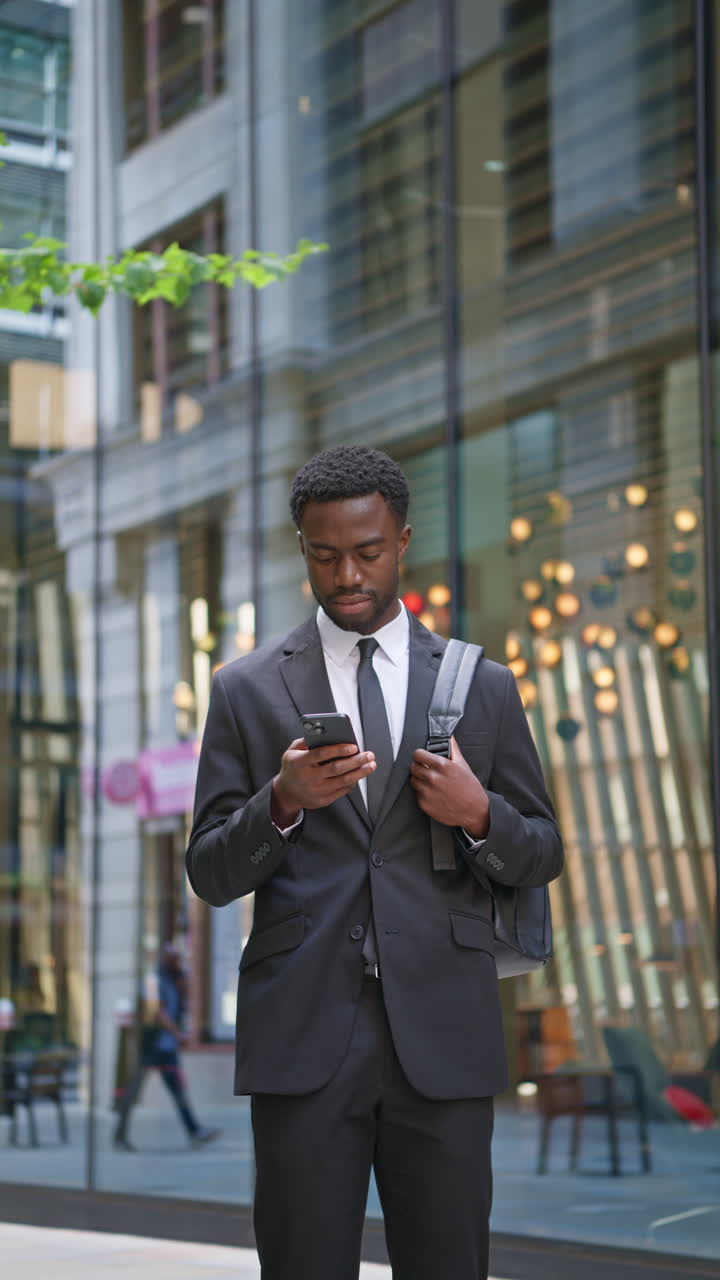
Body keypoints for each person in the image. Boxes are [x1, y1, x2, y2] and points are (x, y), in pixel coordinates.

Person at [186, 445, 563, 1280]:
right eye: (324, 556)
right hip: (304, 1033)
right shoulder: (247, 690)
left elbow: (542, 852)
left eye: (366, 552)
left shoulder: (484, 686)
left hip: (444, 1030)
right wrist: (280, 803)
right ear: (302, 549)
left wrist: (478, 816)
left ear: (403, 541)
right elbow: (210, 871)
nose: (346, 574)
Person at [113, 942, 220, 1151]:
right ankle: (120, 1135)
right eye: (174, 959)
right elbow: (157, 1012)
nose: (177, 962)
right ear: (164, 959)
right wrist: (177, 1033)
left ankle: (194, 1130)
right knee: (133, 1091)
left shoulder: (173, 981)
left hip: (166, 1048)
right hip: (150, 1045)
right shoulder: (153, 981)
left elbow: (175, 1008)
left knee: (178, 1091)